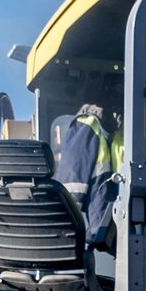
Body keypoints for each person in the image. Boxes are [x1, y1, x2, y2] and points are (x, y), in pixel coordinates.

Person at [57, 102, 124, 243]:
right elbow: (73, 179)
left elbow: (72, 179)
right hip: (119, 221)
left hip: (114, 221)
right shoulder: (88, 125)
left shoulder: (87, 125)